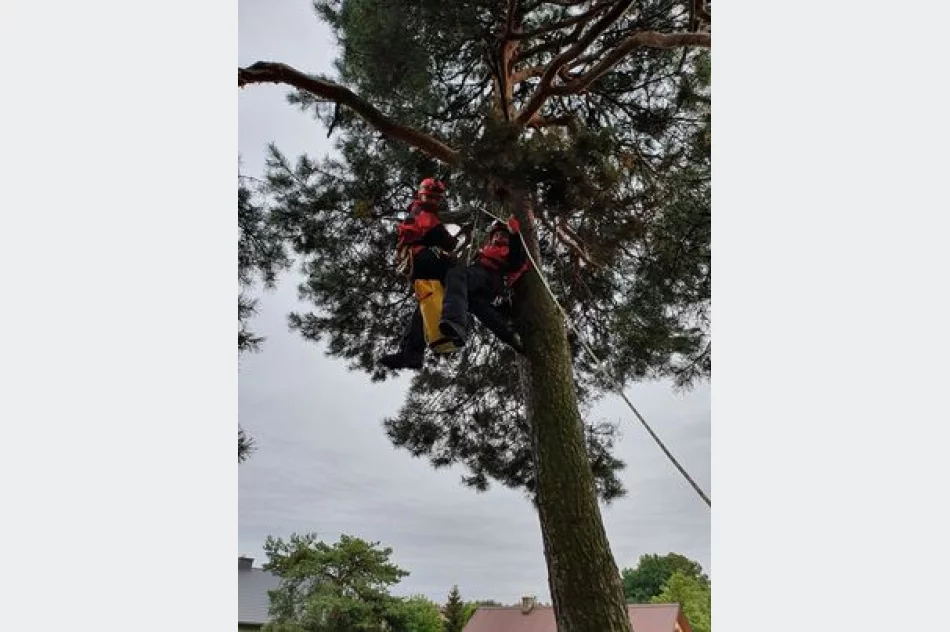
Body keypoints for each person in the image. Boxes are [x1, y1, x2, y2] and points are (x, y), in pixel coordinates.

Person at [379, 178, 460, 371]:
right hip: (422, 258)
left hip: (418, 262)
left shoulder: (418, 212)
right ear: (422, 195)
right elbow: (439, 236)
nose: (432, 201)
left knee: (425, 304)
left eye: (435, 198)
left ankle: (411, 353)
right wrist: (451, 243)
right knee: (457, 278)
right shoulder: (421, 212)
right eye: (430, 197)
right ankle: (452, 325)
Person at [437, 216, 528, 354]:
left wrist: (514, 235)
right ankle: (510, 337)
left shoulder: (510, 248)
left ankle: (455, 321)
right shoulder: (487, 250)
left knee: (456, 275)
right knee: (478, 308)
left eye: (502, 234)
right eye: (496, 234)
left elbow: (515, 263)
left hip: (489, 277)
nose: (498, 236)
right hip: (485, 286)